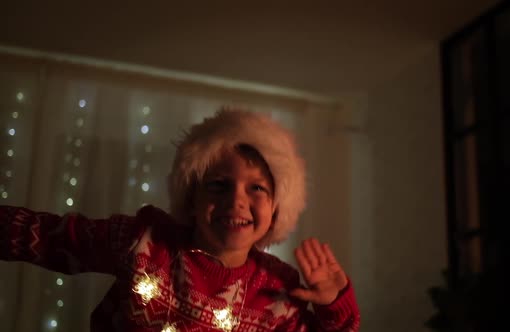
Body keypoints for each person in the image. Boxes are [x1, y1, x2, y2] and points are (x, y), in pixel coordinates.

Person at [0, 109, 360, 331]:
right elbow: (50, 237)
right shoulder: (145, 243)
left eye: (257, 189)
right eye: (219, 185)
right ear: (191, 198)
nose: (236, 200)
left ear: (278, 211)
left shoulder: (277, 291)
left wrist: (334, 304)